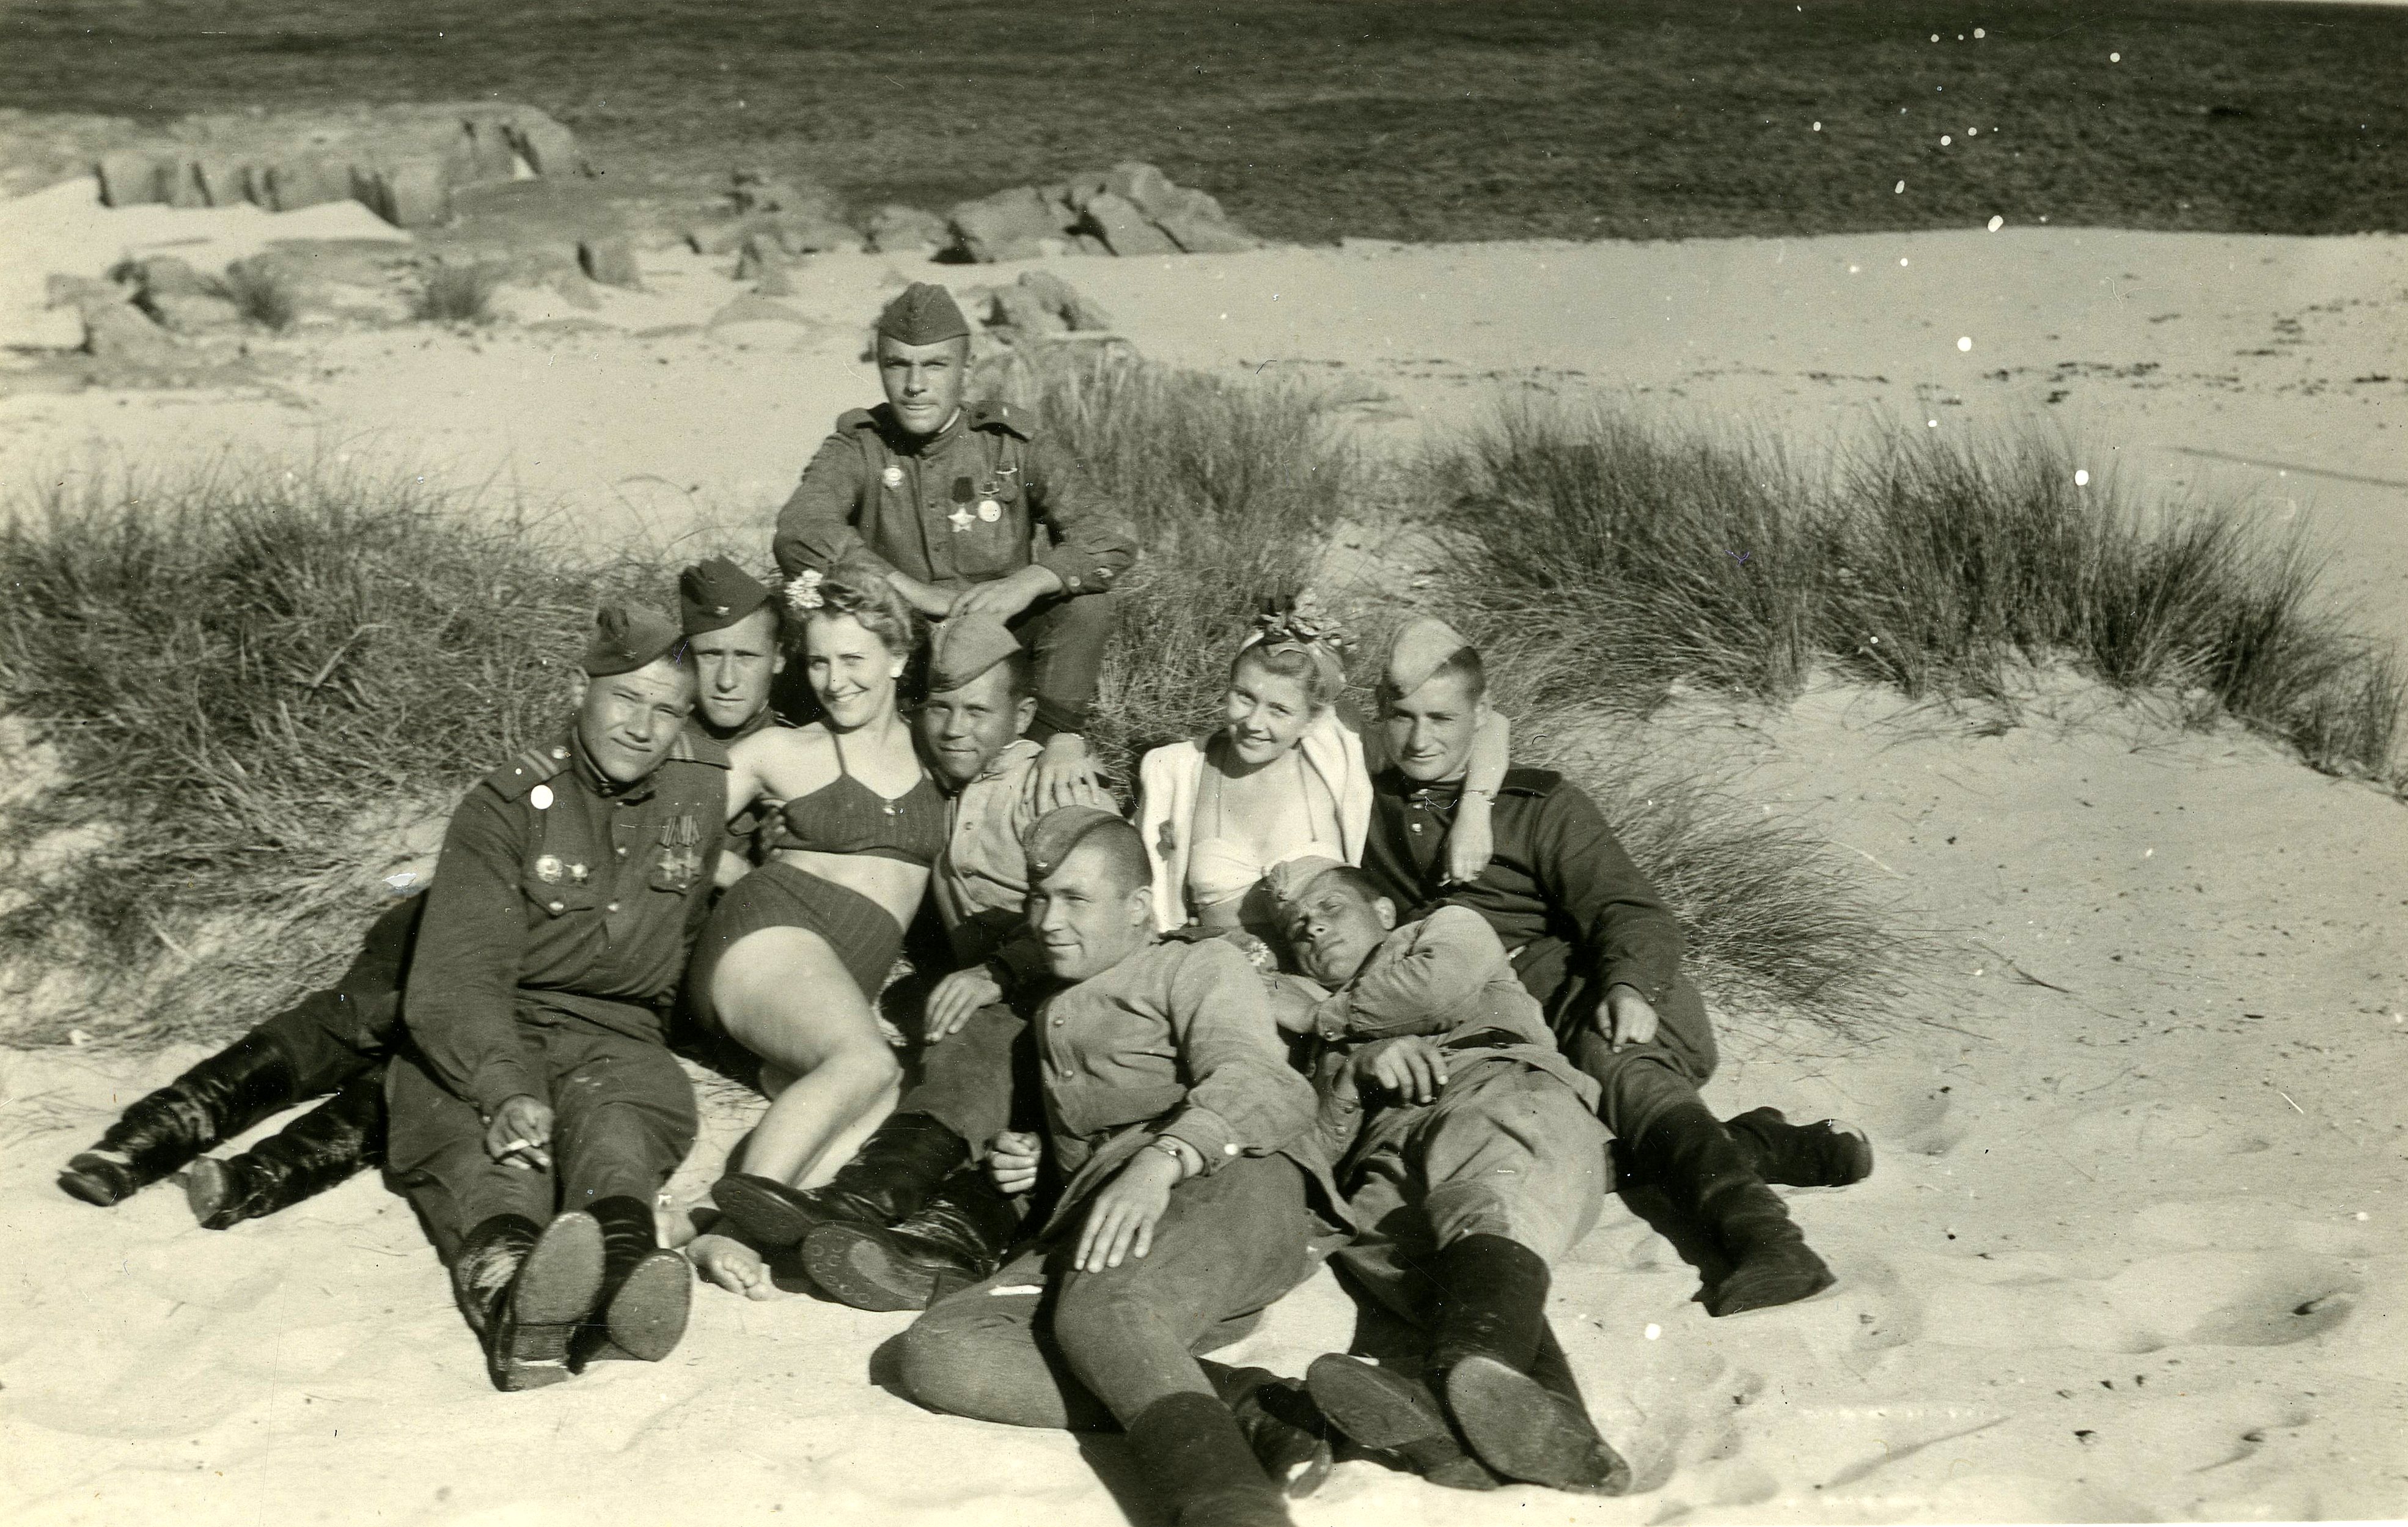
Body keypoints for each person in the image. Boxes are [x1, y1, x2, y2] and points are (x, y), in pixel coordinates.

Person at [53, 560, 792, 1231]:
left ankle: (259, 1177)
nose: (726, 680)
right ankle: (147, 1138)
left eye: (745, 659)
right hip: (486, 925)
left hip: (571, 988)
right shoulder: (650, 713)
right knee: (363, 1019)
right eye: (712, 656)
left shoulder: (778, 754)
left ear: (778, 666)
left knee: (437, 1068)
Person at [1360, 616, 1870, 1319]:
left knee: (1620, 1065)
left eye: (1442, 717)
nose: (1420, 739)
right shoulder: (1360, 797)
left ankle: (1770, 1243)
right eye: (1403, 717)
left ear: (1480, 718)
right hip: (1471, 1030)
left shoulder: (1539, 805)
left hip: (1566, 996)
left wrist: (1629, 987)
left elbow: (1630, 910)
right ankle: (1748, 1144)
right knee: (1495, 1161)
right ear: (1380, 716)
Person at [895, 808, 1343, 1527]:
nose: (1046, 918)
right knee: (944, 1347)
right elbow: (1097, 1152)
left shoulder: (1196, 963)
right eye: (1040, 897)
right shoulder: (1054, 1009)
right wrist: (1045, 1168)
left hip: (1230, 1178)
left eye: (1075, 898)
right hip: (1130, 1218)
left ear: (1139, 907)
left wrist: (1162, 1157)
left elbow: (1264, 1080)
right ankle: (1250, 1401)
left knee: (1101, 1308)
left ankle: (1229, 1505)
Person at [696, 614, 1111, 1309]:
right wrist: (755, 855)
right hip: (812, 950)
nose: (955, 727)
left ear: (1021, 715)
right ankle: (751, 1224)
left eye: (978, 710)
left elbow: (1102, 912)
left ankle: (727, 1221)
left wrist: (1063, 740)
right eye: (941, 707)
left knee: (910, 1104)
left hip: (1054, 999)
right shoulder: (941, 774)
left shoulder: (1049, 785)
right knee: (891, 1080)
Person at [384, 603, 726, 1391]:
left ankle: (623, 1281)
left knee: (614, 1135)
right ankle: (516, 1309)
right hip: (492, 1033)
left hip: (617, 1044)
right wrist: (503, 1087)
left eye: (667, 708)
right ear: (582, 689)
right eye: (626, 698)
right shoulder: (506, 805)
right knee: (502, 1164)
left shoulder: (700, 792)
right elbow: (458, 979)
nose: (644, 727)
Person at [1265, 856, 1629, 1495]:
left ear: (1382, 912)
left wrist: (1323, 1015)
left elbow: (1438, 985)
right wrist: (1350, 1074)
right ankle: (1549, 1431)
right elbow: (1315, 1159)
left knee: (1486, 1201)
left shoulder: (1445, 927)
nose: (1312, 929)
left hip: (1488, 1084)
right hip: (1386, 1159)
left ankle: (1443, 1396)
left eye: (1328, 908)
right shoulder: (1316, 1039)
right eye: (1297, 926)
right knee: (1407, 1259)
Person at [771, 280, 1138, 812]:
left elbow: (1111, 531)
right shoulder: (859, 448)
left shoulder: (1010, 444)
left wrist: (1026, 583)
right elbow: (800, 527)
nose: (916, 385)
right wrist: (911, 592)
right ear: (880, 368)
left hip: (1000, 649)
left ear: (966, 371)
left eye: (936, 366)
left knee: (1085, 600)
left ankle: (1047, 742)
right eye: (899, 366)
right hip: (906, 647)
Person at [694, 564, 945, 1227]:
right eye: (818, 664)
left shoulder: (939, 749)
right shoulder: (782, 748)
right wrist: (731, 873)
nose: (836, 683)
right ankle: (735, 1231)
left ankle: (697, 1219)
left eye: (854, 659)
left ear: (898, 655)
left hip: (837, 977)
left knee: (890, 1096)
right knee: (863, 1061)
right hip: (768, 935)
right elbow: (664, 827)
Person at [1136, 595, 1506, 949]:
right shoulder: (1173, 770)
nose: (1253, 723)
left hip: (1329, 966)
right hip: (1222, 969)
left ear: (1312, 719)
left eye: (1279, 710)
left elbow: (1491, 725)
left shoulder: (1340, 745)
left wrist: (1474, 812)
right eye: (1244, 696)